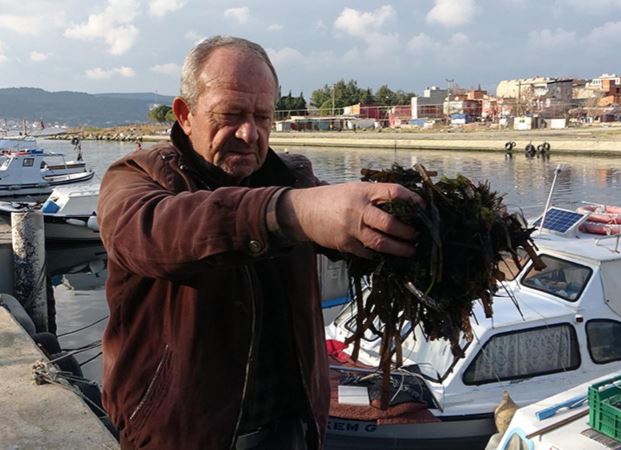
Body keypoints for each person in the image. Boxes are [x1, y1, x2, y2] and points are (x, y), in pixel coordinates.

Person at [97, 36, 422, 450]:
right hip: (181, 435)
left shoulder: (291, 178)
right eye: (230, 114)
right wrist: (288, 213)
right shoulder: (134, 178)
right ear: (185, 114)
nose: (249, 133)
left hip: (292, 429)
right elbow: (148, 233)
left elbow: (355, 233)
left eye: (263, 116)